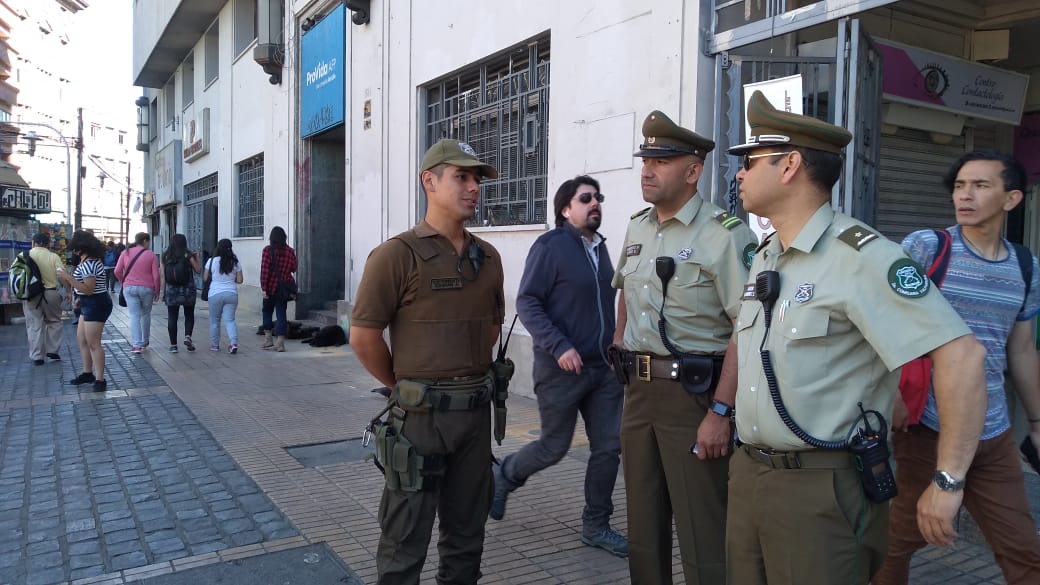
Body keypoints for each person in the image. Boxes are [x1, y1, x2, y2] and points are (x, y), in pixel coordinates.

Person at [726, 90, 986, 585]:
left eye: (751, 160)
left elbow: (962, 355)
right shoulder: (766, 256)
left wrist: (948, 480)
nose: (740, 172)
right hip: (750, 473)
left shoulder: (862, 256)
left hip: (821, 487)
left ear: (790, 166)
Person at [874, 151, 1040, 584]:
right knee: (898, 544)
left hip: (993, 434)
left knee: (1022, 550)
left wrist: (1037, 422)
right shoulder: (926, 248)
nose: (965, 195)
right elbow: (884, 324)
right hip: (930, 428)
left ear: (1012, 199)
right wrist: (890, 393)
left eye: (981, 186)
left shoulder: (1026, 267)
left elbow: (1021, 351)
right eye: (960, 186)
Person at [349, 139, 504, 585]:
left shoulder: (488, 258)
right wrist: (403, 383)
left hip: (475, 418)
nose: (473, 187)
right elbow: (363, 337)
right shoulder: (396, 256)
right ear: (429, 181)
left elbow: (492, 329)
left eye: (477, 178)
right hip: (419, 421)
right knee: (404, 542)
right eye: (462, 176)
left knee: (466, 538)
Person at [612, 110, 756, 584]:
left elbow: (746, 328)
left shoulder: (725, 235)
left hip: (693, 397)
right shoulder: (637, 227)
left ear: (693, 171)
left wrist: (720, 410)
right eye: (645, 159)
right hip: (639, 394)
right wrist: (620, 345)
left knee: (702, 528)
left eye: (662, 160)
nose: (647, 169)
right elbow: (625, 295)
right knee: (642, 524)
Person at [490, 175, 627, 557]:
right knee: (554, 447)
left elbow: (613, 299)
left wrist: (617, 340)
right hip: (561, 369)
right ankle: (503, 476)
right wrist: (560, 346)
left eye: (598, 197)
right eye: (586, 198)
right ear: (566, 209)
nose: (595, 203)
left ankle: (596, 525)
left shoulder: (601, 249)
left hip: (603, 370)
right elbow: (528, 303)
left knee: (608, 449)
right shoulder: (549, 247)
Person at [58, 230, 113, 392]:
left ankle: (100, 379)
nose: (73, 251)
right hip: (88, 302)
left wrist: (68, 278)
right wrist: (76, 296)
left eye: (74, 248)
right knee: (82, 340)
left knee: (93, 343)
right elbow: (82, 289)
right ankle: (87, 373)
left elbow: (89, 289)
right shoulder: (88, 262)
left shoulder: (89, 264)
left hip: (95, 303)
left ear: (81, 248)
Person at [115, 232, 161, 354]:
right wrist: (157, 290)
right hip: (147, 288)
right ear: (145, 241)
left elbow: (117, 271)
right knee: (145, 314)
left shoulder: (125, 253)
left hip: (129, 288)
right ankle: (145, 341)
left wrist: (123, 282)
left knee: (134, 315)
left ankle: (137, 345)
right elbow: (156, 276)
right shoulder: (151, 255)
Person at [24, 232, 65, 366]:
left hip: (31, 295)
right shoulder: (53, 256)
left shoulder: (24, 256)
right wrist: (69, 291)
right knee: (54, 321)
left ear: (33, 243)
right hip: (51, 293)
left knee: (35, 324)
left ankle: (37, 357)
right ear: (48, 244)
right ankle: (52, 351)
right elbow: (62, 275)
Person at [161, 233, 202, 353]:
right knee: (189, 314)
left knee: (172, 317)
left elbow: (163, 276)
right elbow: (198, 270)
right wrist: (197, 258)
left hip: (172, 290)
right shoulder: (188, 254)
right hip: (188, 290)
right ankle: (187, 336)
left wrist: (163, 291)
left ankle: (173, 345)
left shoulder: (165, 256)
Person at [259, 226, 297, 352]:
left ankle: (268, 339)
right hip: (283, 289)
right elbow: (294, 268)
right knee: (281, 314)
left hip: (270, 288)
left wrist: (264, 288)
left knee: (267, 312)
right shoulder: (290, 251)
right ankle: (280, 342)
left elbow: (265, 271)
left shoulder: (267, 251)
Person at [204, 238, 244, 354]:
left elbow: (205, 278)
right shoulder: (235, 262)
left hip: (215, 294)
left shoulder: (211, 261)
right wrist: (230, 280)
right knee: (230, 320)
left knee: (215, 321)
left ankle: (215, 345)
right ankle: (233, 343)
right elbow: (240, 280)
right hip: (231, 294)